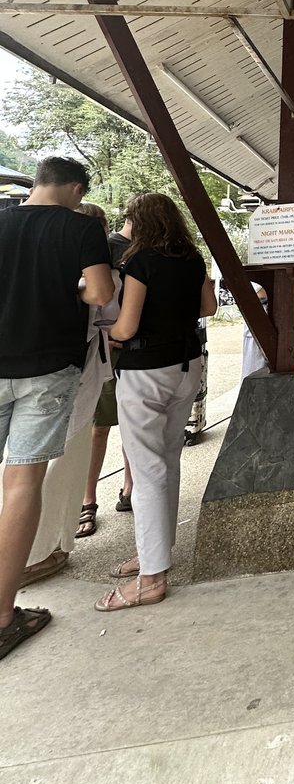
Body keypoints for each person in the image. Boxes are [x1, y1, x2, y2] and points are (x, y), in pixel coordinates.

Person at [0, 158, 114, 659]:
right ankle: (3, 615)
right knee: (23, 483)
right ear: (75, 188)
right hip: (48, 368)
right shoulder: (80, 228)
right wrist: (73, 286)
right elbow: (101, 292)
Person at [96, 193, 216, 612]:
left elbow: (127, 327)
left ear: (138, 221)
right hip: (187, 365)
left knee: (147, 469)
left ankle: (151, 578)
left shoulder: (140, 262)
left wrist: (110, 333)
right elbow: (208, 306)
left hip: (145, 370)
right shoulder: (193, 258)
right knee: (167, 459)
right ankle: (156, 552)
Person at [21, 202, 119, 584]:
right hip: (72, 378)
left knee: (30, 467)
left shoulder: (39, 267)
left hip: (32, 373)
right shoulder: (95, 280)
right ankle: (39, 551)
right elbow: (109, 316)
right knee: (59, 465)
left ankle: (42, 547)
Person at [77, 216, 133, 536]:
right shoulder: (96, 260)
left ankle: (128, 487)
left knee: (129, 425)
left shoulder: (125, 260)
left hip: (125, 354)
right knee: (98, 428)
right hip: (99, 357)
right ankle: (88, 499)